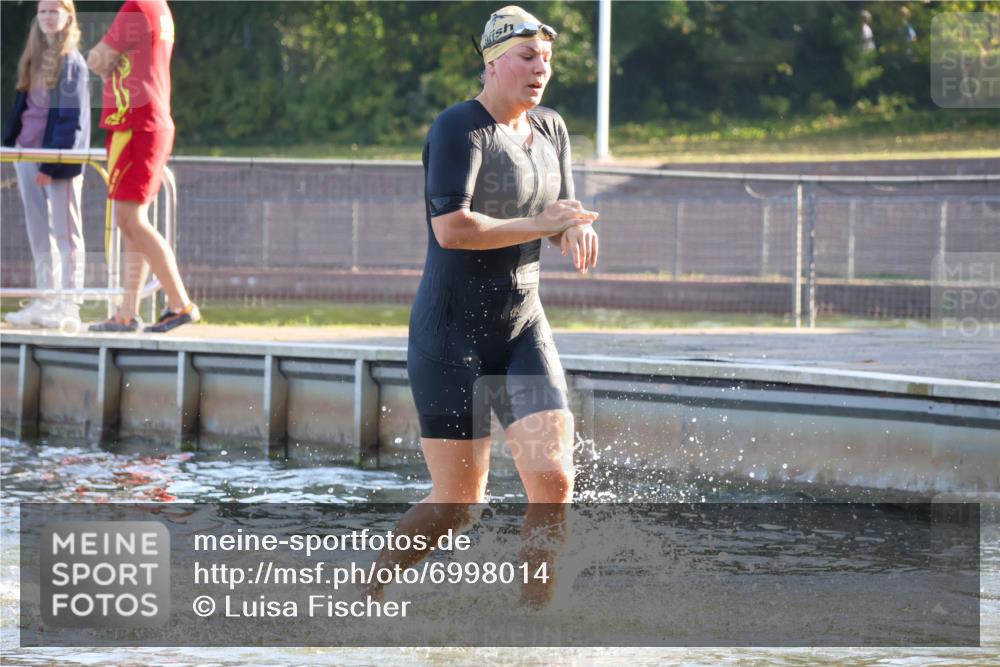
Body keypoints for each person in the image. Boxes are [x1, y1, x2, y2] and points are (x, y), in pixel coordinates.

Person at [368, 5, 599, 607]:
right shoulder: (458, 128)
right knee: (458, 505)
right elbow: (452, 228)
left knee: (552, 483)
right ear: (493, 62)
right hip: (450, 337)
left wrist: (569, 230)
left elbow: (558, 213)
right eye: (527, 58)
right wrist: (542, 222)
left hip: (522, 326)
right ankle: (366, 595)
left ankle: (532, 626)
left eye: (546, 59)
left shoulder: (552, 128)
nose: (539, 70)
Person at [86, 0, 199, 333]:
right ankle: (127, 311)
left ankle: (180, 303)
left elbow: (100, 60)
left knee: (130, 219)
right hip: (147, 121)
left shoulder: (135, 6)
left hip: (136, 123)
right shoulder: (159, 7)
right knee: (131, 222)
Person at [3, 0, 89, 332]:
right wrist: (12, 147)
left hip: (57, 161)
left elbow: (70, 122)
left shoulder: (72, 63)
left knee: (67, 233)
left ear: (69, 16)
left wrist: (51, 165)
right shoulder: (33, 58)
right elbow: (24, 109)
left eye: (55, 11)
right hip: (26, 154)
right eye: (43, 11)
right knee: (38, 231)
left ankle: (70, 305)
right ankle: (45, 298)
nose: (48, 17)